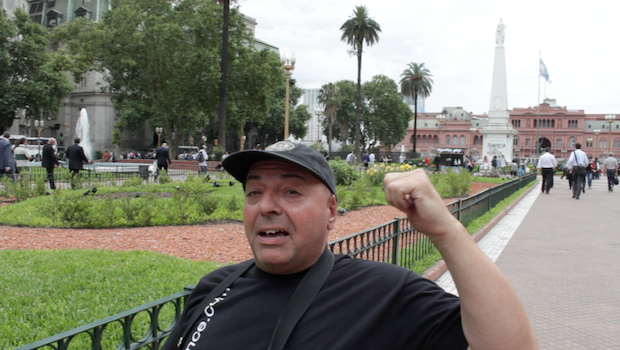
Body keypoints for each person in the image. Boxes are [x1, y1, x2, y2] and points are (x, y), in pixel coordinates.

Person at [161, 141, 537, 350]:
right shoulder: (214, 289)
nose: (267, 206)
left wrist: (446, 231)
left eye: (291, 191)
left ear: (330, 212)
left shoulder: (386, 294)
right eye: (254, 191)